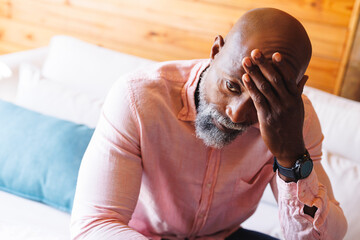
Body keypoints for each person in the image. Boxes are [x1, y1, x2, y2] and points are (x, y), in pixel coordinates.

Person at [70, 8, 347, 240]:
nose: (237, 115)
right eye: (231, 85)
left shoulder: (296, 122)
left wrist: (291, 158)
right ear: (216, 51)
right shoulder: (137, 98)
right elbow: (94, 225)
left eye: (261, 101)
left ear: (297, 90)